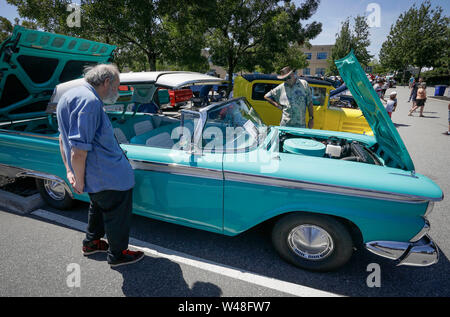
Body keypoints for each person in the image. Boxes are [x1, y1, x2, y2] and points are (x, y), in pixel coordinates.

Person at [56, 64, 144, 268]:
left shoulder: (68, 96)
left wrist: (70, 171)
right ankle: (118, 254)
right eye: (117, 86)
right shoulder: (91, 102)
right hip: (108, 176)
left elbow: (63, 139)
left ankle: (91, 243)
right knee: (117, 215)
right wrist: (77, 178)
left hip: (95, 177)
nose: (117, 91)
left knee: (97, 206)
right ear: (106, 82)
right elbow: (78, 150)